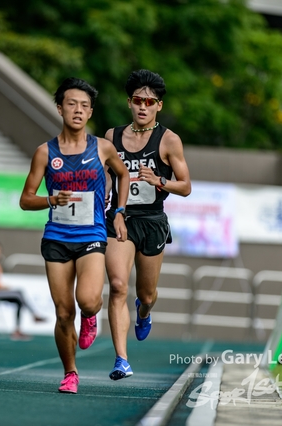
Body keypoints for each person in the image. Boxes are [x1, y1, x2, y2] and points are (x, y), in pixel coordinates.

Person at [19, 77, 129, 394]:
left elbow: (122, 175)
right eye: (71, 104)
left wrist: (118, 211)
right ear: (60, 108)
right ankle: (70, 372)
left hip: (92, 234)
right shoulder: (44, 152)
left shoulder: (103, 148)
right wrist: (51, 200)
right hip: (56, 236)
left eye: (83, 106)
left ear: (90, 112)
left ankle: (91, 316)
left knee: (87, 301)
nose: (77, 111)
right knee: (64, 312)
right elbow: (26, 200)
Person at [104, 69, 191, 381]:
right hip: (120, 219)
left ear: (159, 106)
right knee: (117, 286)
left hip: (152, 222)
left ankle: (144, 311)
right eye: (138, 100)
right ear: (129, 102)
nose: (143, 106)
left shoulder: (168, 140)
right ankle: (121, 359)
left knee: (148, 293)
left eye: (149, 102)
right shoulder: (111, 138)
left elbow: (186, 186)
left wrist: (160, 181)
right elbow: (104, 176)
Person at [0, 240, 46, 341]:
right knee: (18, 294)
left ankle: (17, 329)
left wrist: (3, 287)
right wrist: (0, 287)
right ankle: (34, 314)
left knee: (18, 299)